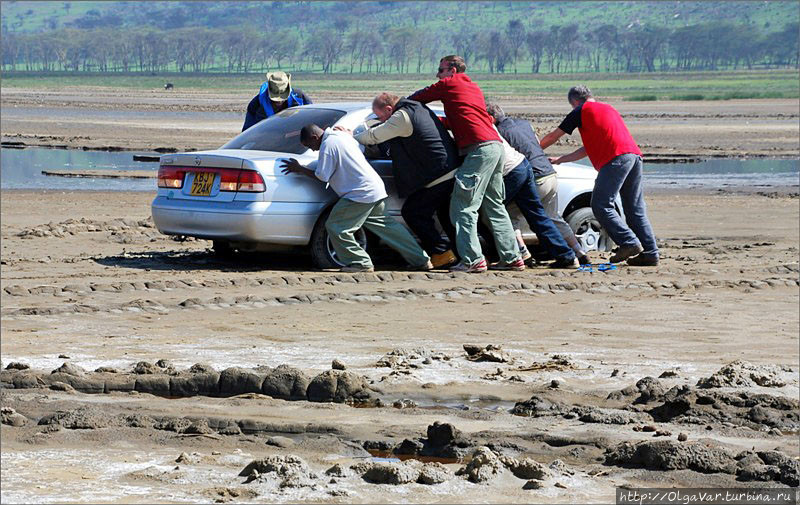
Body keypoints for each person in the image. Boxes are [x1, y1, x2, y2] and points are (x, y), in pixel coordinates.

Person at [408, 55, 522, 273]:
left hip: (479, 150)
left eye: (440, 70)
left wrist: (402, 105)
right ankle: (512, 257)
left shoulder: (449, 83)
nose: (437, 74)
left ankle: (472, 260)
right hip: (496, 148)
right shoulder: (473, 88)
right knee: (494, 206)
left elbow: (419, 98)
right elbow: (463, 118)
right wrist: (438, 123)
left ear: (451, 70)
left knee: (462, 207)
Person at [280, 124, 432, 273]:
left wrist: (299, 169)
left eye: (310, 145)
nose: (312, 149)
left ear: (315, 137)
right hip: (374, 188)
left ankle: (360, 262)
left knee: (336, 227)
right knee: (388, 229)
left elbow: (323, 176)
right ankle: (421, 260)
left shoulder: (328, 145)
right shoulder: (341, 136)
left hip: (359, 194)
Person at [539, 85, 659, 266]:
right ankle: (651, 253)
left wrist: (533, 149)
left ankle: (629, 242)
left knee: (601, 204)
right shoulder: (608, 109)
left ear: (574, 101)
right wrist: (562, 159)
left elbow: (554, 136)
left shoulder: (581, 110)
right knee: (635, 209)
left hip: (616, 159)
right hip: (634, 157)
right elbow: (589, 148)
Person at [341, 92, 459, 269]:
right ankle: (457, 253)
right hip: (445, 170)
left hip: (439, 174)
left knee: (414, 212)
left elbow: (375, 136)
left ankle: (442, 253)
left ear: (389, 109)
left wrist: (349, 138)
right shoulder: (415, 108)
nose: (382, 121)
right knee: (444, 215)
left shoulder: (401, 117)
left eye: (381, 117)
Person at [486, 102, 590, 265]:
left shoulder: (499, 132)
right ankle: (579, 251)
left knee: (509, 214)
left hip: (533, 175)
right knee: (552, 217)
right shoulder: (523, 123)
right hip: (549, 173)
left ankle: (523, 252)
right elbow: (536, 143)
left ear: (490, 119)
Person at [242, 71, 312, 131]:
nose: (279, 101)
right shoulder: (256, 104)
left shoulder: (300, 98)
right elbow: (247, 131)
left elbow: (312, 121)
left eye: (282, 98)